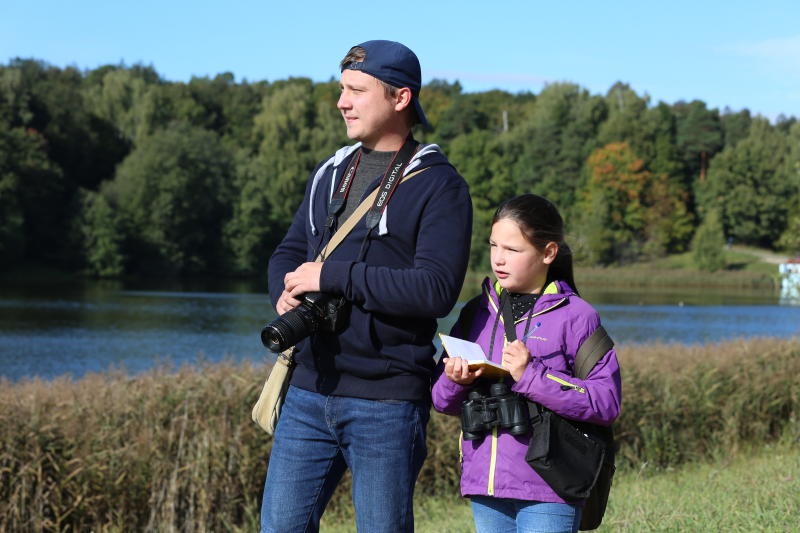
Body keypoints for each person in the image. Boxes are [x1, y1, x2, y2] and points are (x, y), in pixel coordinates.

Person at [261, 40, 473, 533]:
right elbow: (288, 253)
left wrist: (331, 276)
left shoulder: (439, 186)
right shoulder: (331, 173)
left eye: (357, 90)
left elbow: (436, 289)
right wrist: (284, 291)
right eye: (341, 89)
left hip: (387, 400)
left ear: (400, 98)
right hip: (310, 388)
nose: (342, 101)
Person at [431, 194, 621, 533]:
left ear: (548, 252)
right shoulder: (477, 312)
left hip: (550, 485)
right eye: (494, 246)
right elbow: (441, 401)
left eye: (513, 250)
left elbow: (605, 402)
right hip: (485, 486)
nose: (499, 259)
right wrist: (454, 381)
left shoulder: (577, 316)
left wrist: (531, 376)